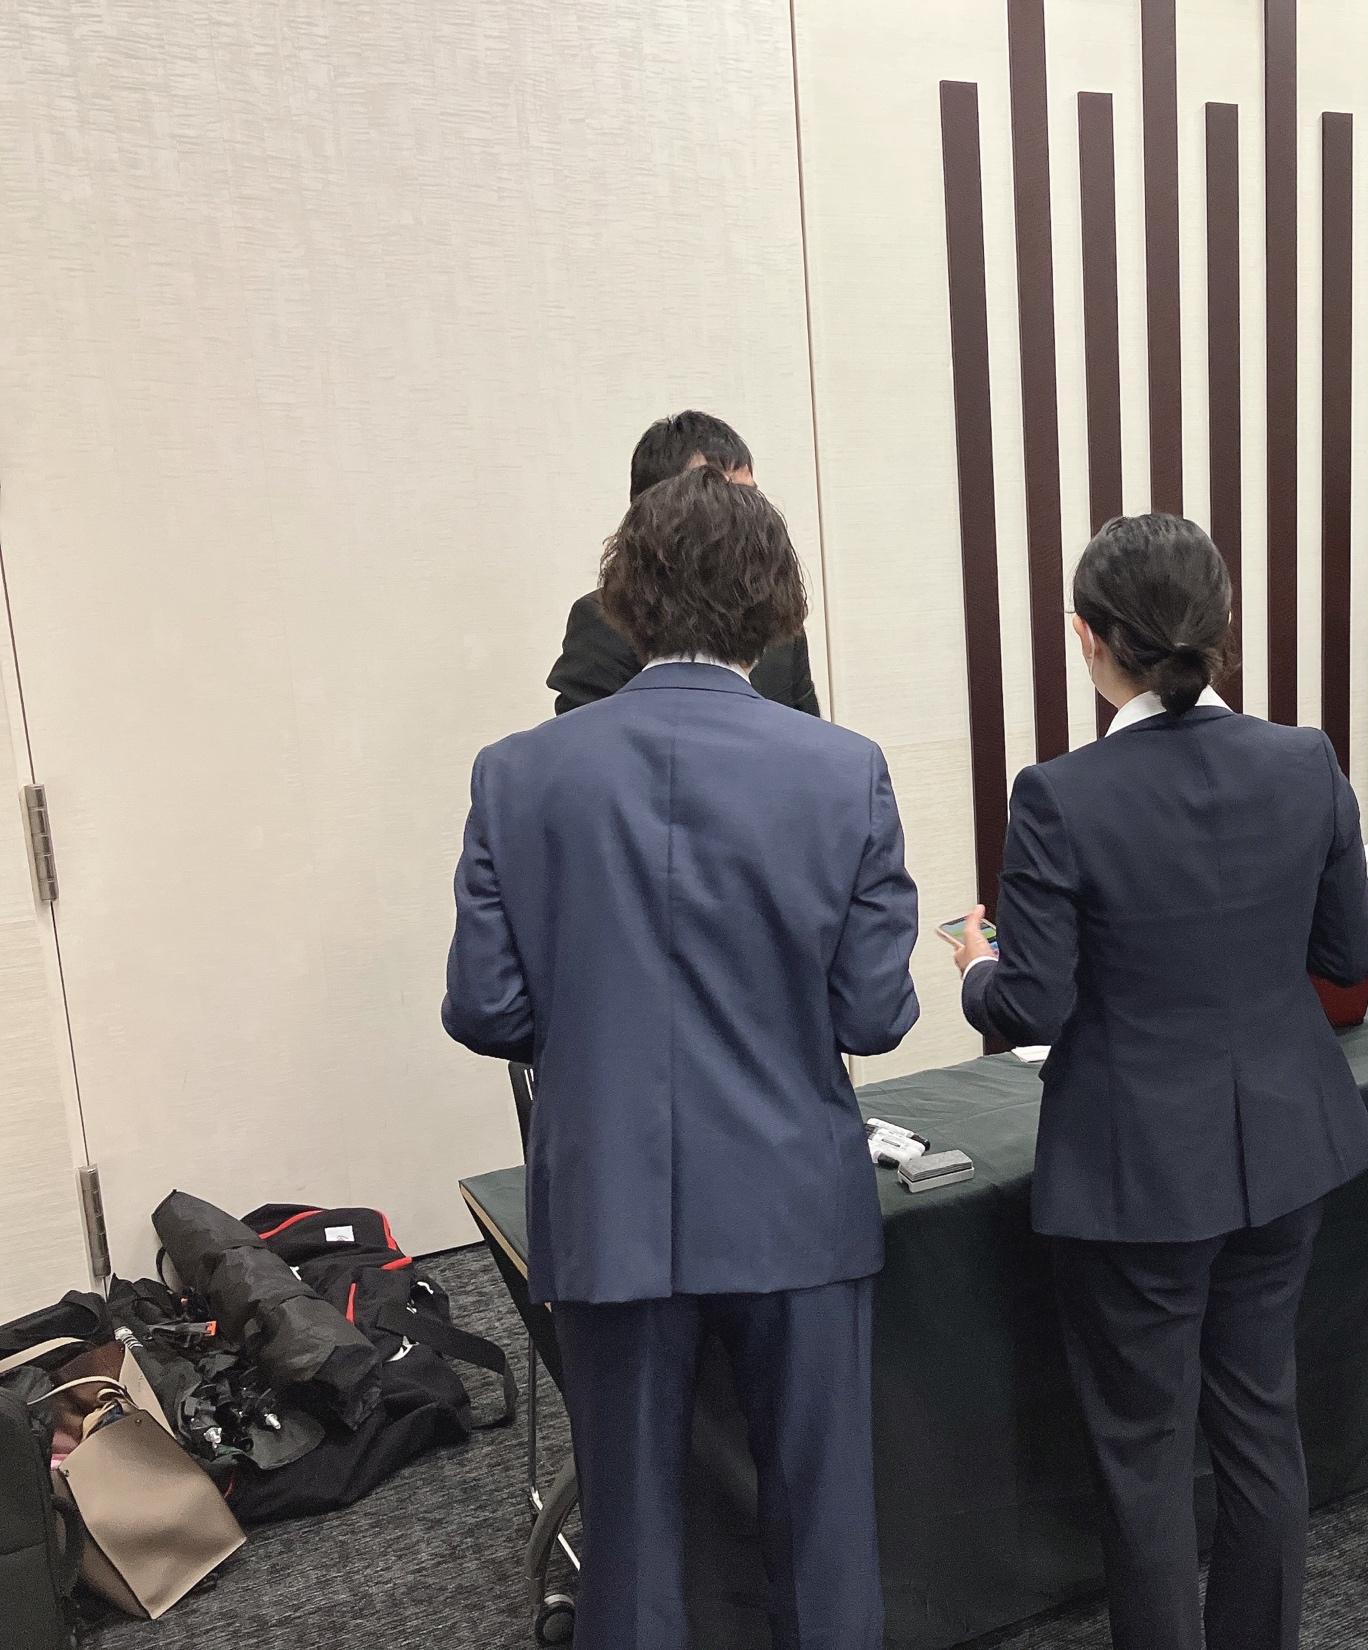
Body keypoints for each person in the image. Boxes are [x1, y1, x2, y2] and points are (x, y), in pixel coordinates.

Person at [444, 469, 919, 1650]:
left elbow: (486, 1009)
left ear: (627, 600)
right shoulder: (843, 768)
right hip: (794, 1198)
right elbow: (873, 1015)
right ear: (775, 605)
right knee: (822, 1529)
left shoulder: (516, 773)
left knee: (629, 1540)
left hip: (608, 1199)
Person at [949, 513, 1368, 1650]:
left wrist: (976, 967)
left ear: (1088, 639)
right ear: (1222, 627)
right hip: (1285, 1144)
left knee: (1142, 1451)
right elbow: (1352, 954)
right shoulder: (1304, 760)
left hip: (1136, 1165)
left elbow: (1031, 1006)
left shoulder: (1060, 794)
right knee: (1260, 1421)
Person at [549, 410, 821, 716]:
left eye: (748, 494)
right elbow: (585, 736)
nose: (742, 511)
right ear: (652, 510)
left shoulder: (770, 614)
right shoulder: (604, 620)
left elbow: (806, 732)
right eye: (715, 491)